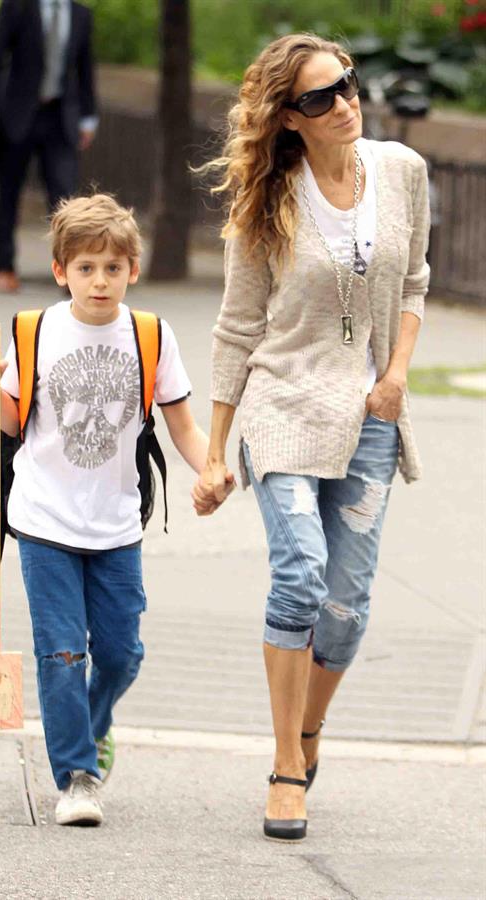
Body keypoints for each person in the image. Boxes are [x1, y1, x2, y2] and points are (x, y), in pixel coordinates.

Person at [193, 34, 430, 841]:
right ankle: (286, 767)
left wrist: (395, 373)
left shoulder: (401, 172)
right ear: (289, 118)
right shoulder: (270, 202)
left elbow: (417, 281)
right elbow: (236, 330)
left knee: (347, 608)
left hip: (369, 410)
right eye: (321, 98)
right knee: (301, 572)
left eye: (348, 86)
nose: (345, 103)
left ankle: (309, 730)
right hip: (282, 405)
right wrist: (216, 452)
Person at [0, 193, 231, 826]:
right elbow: (7, 422)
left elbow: (184, 428)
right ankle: (78, 776)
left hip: (115, 525)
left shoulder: (150, 335)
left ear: (132, 269)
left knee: (120, 655)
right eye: (86, 268)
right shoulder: (35, 332)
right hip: (43, 520)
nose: (99, 280)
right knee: (60, 653)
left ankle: (96, 719)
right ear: (60, 271)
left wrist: (211, 469)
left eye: (112, 267)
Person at [0, 0, 98, 293]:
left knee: (66, 198)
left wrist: (89, 117)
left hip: (60, 118)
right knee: (9, 193)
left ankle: (72, 271)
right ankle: (5, 266)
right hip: (18, 115)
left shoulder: (80, 14)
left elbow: (85, 67)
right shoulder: (18, 7)